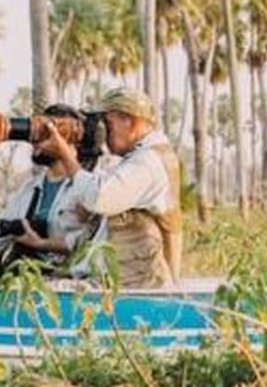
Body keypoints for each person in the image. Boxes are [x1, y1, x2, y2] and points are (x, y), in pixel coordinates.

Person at [0, 105, 99, 280]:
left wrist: (43, 244)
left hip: (72, 291)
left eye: (48, 132)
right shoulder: (30, 191)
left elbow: (91, 244)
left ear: (73, 138)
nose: (35, 139)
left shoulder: (94, 187)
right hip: (30, 286)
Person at [68, 88, 183, 288]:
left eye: (108, 124)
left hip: (138, 285)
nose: (103, 132)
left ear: (131, 122)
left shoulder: (149, 161)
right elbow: (81, 211)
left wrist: (66, 158)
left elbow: (100, 199)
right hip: (128, 281)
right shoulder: (136, 160)